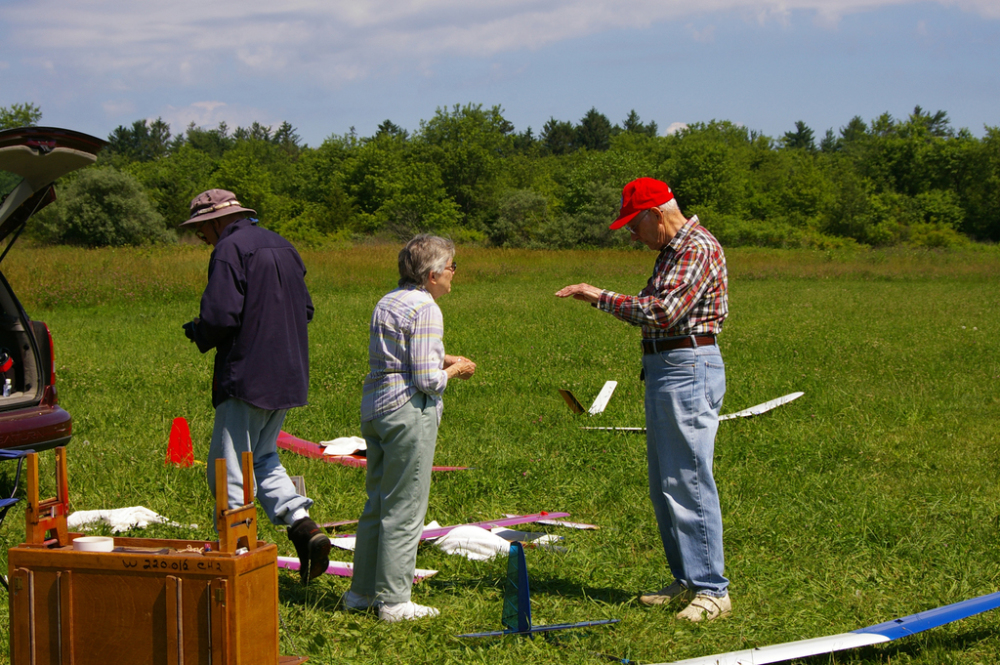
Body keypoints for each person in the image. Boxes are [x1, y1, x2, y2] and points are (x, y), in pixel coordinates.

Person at [555, 177, 731, 622]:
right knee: (666, 485)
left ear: (655, 214)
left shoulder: (695, 248)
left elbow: (661, 311)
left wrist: (597, 296)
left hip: (688, 367)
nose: (633, 236)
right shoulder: (671, 251)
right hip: (668, 368)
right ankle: (688, 580)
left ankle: (713, 590)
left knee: (688, 480)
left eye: (634, 226)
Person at [179, 189, 330, 585]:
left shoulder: (229, 249)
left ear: (214, 221)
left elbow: (220, 315)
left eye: (201, 230)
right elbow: (307, 309)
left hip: (247, 373)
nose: (202, 239)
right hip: (288, 371)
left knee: (226, 465)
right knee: (261, 457)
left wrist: (197, 330)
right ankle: (302, 525)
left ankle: (236, 554)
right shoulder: (283, 244)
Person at [345, 234, 476, 622]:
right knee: (405, 507)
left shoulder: (388, 300)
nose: (454, 274)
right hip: (408, 412)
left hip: (376, 407)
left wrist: (443, 355)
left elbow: (399, 351)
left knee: (378, 503)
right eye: (452, 267)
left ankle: (361, 593)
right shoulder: (427, 309)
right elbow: (426, 378)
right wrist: (455, 369)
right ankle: (395, 601)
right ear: (433, 274)